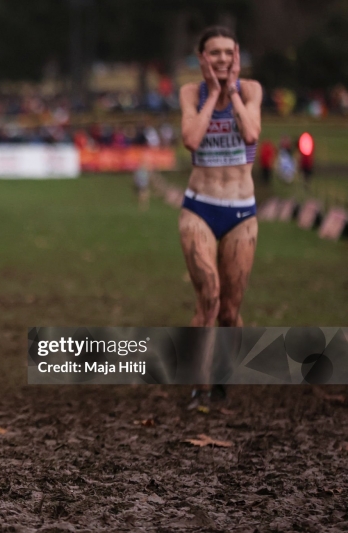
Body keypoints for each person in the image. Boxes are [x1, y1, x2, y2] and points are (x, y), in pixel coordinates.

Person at [178, 27, 261, 406]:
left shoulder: (252, 90)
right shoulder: (191, 93)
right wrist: (213, 94)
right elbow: (192, 139)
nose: (223, 59)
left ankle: (224, 377)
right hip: (200, 208)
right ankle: (199, 385)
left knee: (229, 310)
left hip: (242, 212)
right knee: (208, 297)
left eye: (229, 52)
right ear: (202, 59)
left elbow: (251, 133)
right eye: (215, 53)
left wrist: (232, 95)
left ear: (237, 55)